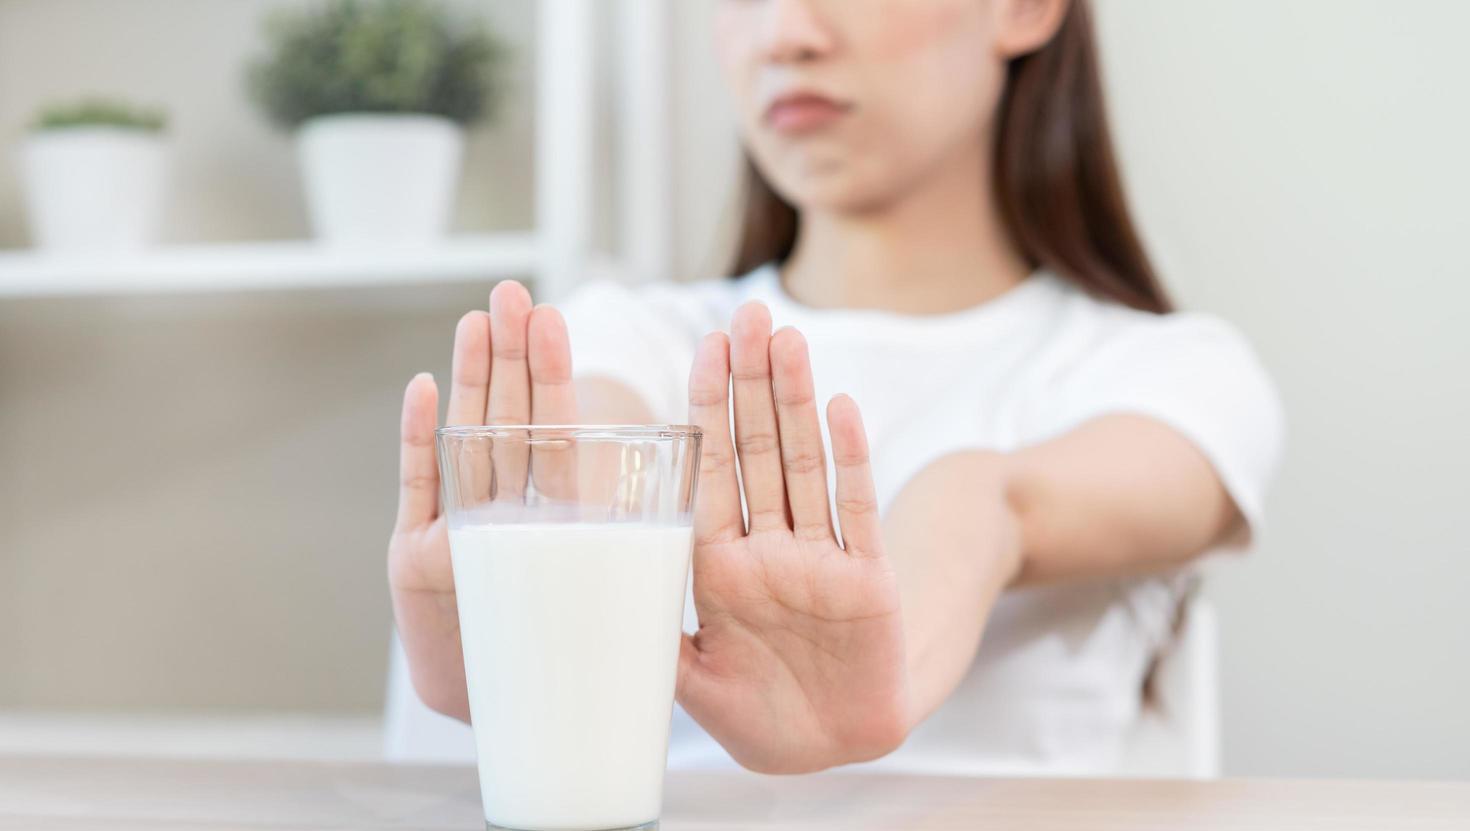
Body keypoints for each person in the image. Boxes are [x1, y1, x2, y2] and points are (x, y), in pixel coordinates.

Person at [388, 0, 1283, 775]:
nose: (785, 34)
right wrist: (524, 615)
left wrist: (883, 677)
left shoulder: (1171, 375)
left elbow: (987, 504)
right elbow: (586, 461)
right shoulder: (629, 338)